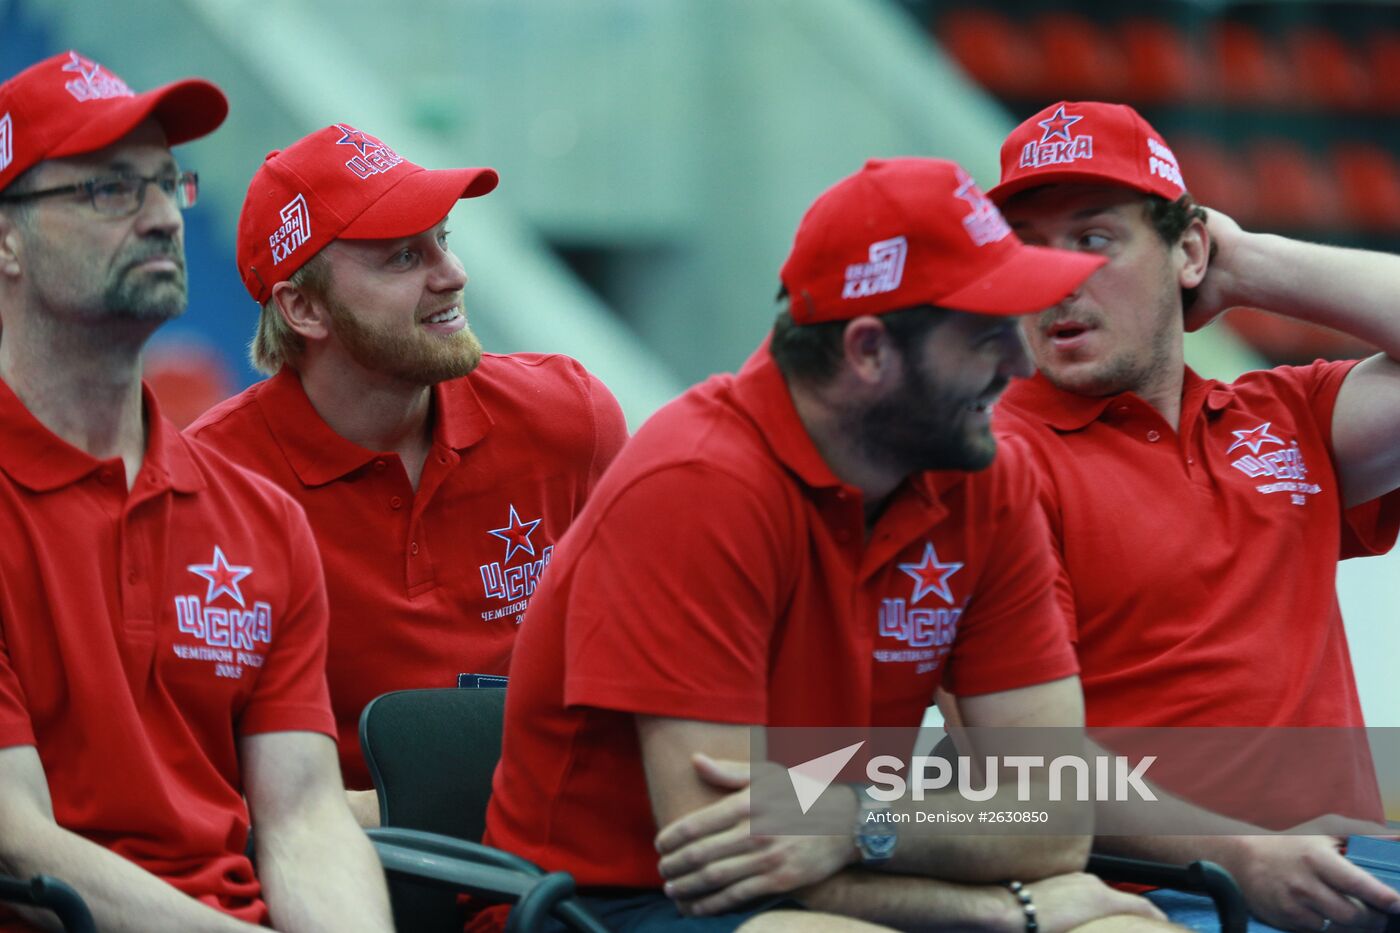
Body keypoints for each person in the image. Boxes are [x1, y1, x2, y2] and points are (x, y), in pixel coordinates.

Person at [480, 157, 1169, 932]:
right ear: (870, 351)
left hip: (833, 876)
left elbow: (1056, 819)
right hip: (608, 904)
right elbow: (729, 865)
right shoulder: (696, 485)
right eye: (983, 336)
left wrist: (856, 822)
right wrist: (1008, 911)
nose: (1018, 361)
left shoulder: (983, 474)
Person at [985, 100, 1400, 933]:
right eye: (1026, 246)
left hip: (1356, 869)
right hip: (1159, 896)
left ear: (1188, 250)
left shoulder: (1286, 414)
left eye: (1094, 239)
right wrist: (1238, 854)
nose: (1056, 277)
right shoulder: (993, 462)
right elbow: (1018, 771)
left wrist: (1249, 265)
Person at [0, 52, 391, 932]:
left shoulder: (259, 519)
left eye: (169, 182)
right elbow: (17, 841)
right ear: (5, 238)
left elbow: (303, 817)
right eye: (107, 190)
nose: (163, 217)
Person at [186, 122, 628, 824]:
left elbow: (669, 686)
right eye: (401, 257)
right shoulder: (204, 488)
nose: (452, 274)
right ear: (303, 308)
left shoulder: (569, 416)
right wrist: (404, 815)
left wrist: (850, 821)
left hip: (562, 868)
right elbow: (183, 790)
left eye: (442, 239)